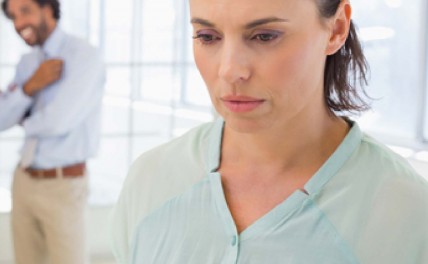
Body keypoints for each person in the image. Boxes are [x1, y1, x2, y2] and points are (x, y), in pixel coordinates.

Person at [111, 0, 428, 263]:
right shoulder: (150, 180)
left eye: (264, 36)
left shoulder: (406, 212)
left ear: (336, 28)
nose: (230, 70)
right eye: (208, 36)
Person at [0, 0, 106, 263]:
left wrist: (24, 119)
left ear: (47, 8)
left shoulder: (84, 56)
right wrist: (30, 86)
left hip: (63, 186)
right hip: (23, 180)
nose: (19, 23)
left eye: (25, 11)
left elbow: (58, 121)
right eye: (13, 17)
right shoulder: (27, 64)